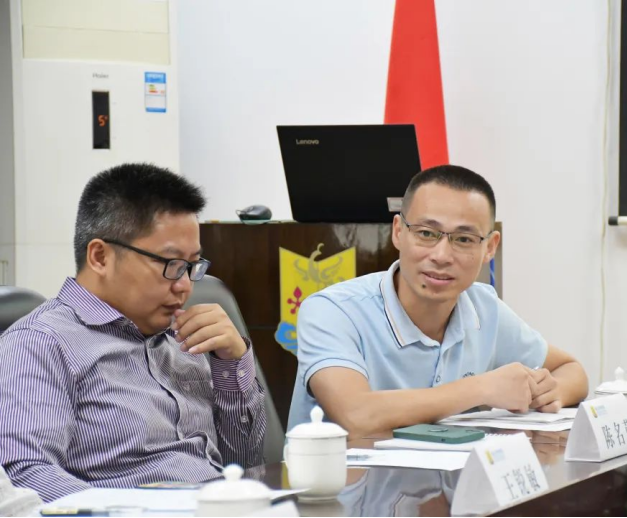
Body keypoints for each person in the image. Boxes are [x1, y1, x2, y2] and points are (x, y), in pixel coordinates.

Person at [0, 164, 266, 502]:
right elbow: (25, 474)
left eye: (191, 266)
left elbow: (245, 467)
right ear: (100, 257)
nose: (185, 286)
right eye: (171, 264)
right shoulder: (40, 344)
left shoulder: (185, 338)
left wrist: (232, 364)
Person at [288, 165, 588, 437]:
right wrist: (482, 388)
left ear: (490, 247)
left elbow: (572, 370)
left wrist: (550, 392)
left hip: (448, 478)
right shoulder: (332, 311)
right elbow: (356, 415)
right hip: (346, 480)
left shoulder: (484, 308)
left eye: (464, 239)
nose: (442, 256)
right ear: (398, 232)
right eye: (426, 233)